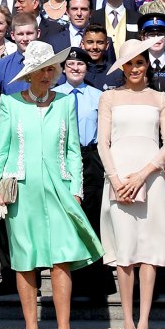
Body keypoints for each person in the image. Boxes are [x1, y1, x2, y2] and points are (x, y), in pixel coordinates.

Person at [0, 41, 104, 329]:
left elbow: (73, 151)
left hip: (60, 189)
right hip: (19, 190)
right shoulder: (10, 103)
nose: (48, 74)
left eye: (52, 68)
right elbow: (0, 148)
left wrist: (76, 189)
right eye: (43, 69)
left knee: (61, 258)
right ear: (30, 74)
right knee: (24, 262)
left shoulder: (65, 103)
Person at [98, 36, 165, 329]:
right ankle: (127, 325)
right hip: (117, 180)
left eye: (140, 62)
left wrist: (143, 175)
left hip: (151, 179)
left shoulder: (161, 98)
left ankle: (144, 325)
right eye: (129, 63)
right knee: (124, 255)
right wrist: (117, 180)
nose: (134, 68)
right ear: (122, 66)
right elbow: (103, 144)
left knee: (148, 252)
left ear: (147, 64)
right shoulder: (109, 98)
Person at [52, 47, 116, 303]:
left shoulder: (98, 96)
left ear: (87, 68)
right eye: (70, 65)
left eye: (80, 65)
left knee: (92, 218)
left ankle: (96, 282)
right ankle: (71, 280)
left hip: (91, 158)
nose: (76, 68)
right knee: (68, 219)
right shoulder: (55, 95)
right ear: (63, 68)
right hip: (63, 157)